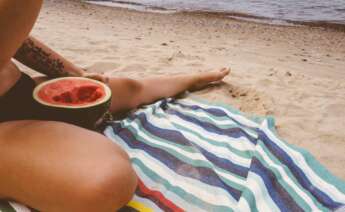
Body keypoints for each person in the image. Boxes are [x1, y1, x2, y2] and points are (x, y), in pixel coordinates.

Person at [0, 0, 230, 211]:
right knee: (109, 182)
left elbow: (17, 38)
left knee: (130, 88)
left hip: (16, 88)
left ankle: (193, 78)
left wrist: (76, 73)